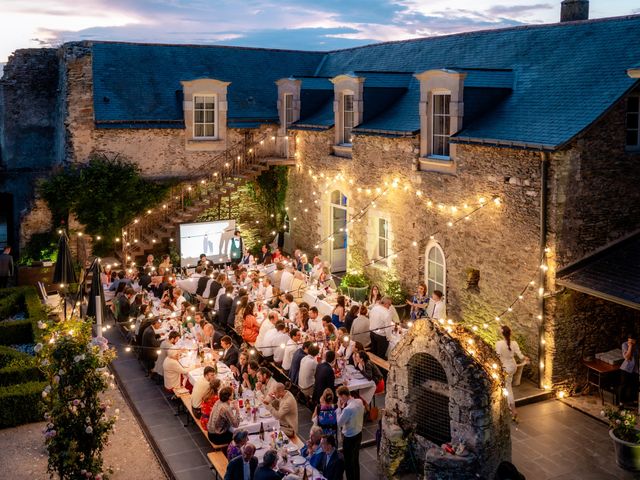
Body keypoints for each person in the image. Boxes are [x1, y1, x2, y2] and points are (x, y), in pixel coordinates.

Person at [495, 325, 528, 420]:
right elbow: (520, 355)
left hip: (505, 368)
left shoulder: (499, 343)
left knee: (508, 388)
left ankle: (513, 409)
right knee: (506, 385)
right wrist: (525, 358)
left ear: (502, 333)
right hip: (513, 366)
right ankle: (507, 405)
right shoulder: (514, 343)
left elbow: (497, 355)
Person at [336, 386, 365, 480]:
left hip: (349, 437)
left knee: (348, 463)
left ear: (343, 396)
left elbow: (339, 423)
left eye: (339, 397)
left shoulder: (347, 409)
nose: (339, 399)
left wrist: (339, 408)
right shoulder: (359, 401)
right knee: (355, 460)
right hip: (359, 434)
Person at [619, 334, 639, 405]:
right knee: (624, 385)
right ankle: (621, 402)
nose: (630, 341)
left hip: (635, 369)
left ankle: (632, 401)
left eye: (633, 340)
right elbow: (627, 357)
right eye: (629, 340)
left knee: (634, 386)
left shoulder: (637, 346)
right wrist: (630, 346)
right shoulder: (624, 345)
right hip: (625, 368)